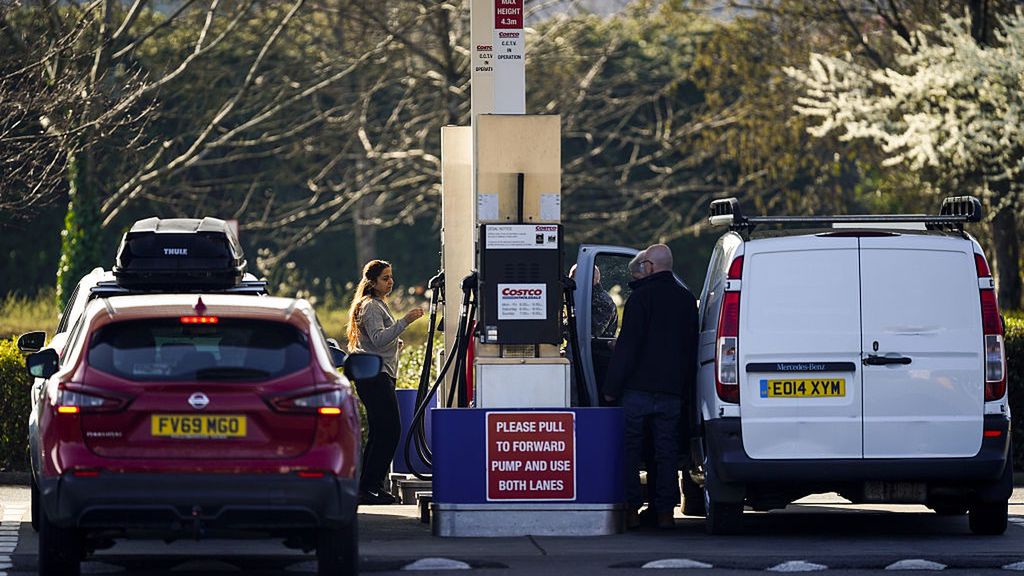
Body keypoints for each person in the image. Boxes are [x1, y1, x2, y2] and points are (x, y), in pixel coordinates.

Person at [603, 244, 698, 530]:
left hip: (638, 390)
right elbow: (690, 348)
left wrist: (611, 387)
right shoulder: (686, 299)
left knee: (631, 451)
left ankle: (632, 510)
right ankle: (665, 514)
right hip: (671, 392)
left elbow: (628, 349)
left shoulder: (640, 298)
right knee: (666, 452)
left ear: (651, 267)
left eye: (644, 264)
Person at [347, 259, 424, 505]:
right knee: (390, 430)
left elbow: (377, 340)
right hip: (374, 376)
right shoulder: (370, 306)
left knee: (382, 431)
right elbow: (379, 339)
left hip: (380, 374)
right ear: (372, 281)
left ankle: (369, 486)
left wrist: (395, 342)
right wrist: (405, 322)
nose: (390, 282)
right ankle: (370, 485)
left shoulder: (379, 305)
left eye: (391, 277)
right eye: (385, 278)